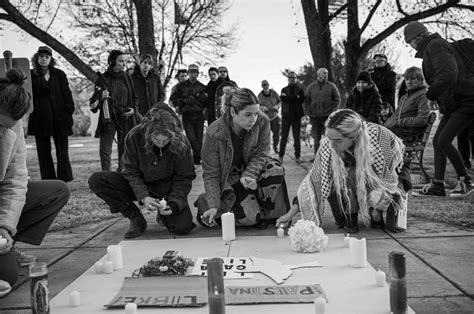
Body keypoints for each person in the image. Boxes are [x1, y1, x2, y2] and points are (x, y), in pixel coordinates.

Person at [276, 109, 411, 234]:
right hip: (352, 179)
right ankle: (350, 212)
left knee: (389, 219)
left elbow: (393, 173)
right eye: (329, 138)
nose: (332, 144)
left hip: (387, 176)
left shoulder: (380, 138)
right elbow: (314, 180)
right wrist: (290, 214)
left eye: (338, 141)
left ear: (354, 136)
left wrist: (382, 198)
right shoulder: (328, 145)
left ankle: (375, 211)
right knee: (342, 215)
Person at [1, 69, 70, 289]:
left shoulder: (14, 127)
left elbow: (15, 180)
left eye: (9, 127)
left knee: (57, 190)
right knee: (8, 277)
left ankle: (8, 244)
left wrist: (4, 226)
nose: (3, 132)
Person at [88, 107, 196, 238]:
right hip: (138, 184)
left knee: (182, 228)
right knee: (97, 180)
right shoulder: (134, 136)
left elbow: (184, 177)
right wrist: (144, 196)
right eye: (156, 139)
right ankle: (135, 218)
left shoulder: (181, 141)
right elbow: (129, 171)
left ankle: (163, 213)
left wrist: (174, 203)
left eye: (166, 140)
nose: (161, 144)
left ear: (172, 134)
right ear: (148, 133)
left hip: (166, 189)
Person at [197, 88, 290, 230]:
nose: (253, 119)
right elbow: (211, 173)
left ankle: (265, 212)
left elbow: (262, 153)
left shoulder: (263, 121)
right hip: (230, 176)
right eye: (248, 114)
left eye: (256, 113)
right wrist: (213, 205)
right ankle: (207, 204)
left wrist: (249, 174)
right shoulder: (214, 133)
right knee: (250, 218)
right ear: (233, 112)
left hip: (252, 169)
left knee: (275, 170)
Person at [404, 21, 474, 197]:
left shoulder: (435, 45)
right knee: (437, 142)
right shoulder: (433, 47)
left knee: (443, 141)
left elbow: (449, 74)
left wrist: (431, 95)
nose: (410, 46)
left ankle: (465, 181)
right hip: (454, 102)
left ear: (417, 38)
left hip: (466, 100)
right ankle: (438, 185)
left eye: (409, 42)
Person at [28, 46, 75, 182]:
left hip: (59, 118)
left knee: (62, 152)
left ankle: (65, 179)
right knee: (43, 153)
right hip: (40, 118)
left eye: (47, 57)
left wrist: (68, 113)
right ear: (37, 58)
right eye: (41, 56)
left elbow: (67, 94)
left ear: (51, 59)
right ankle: (48, 180)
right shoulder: (31, 75)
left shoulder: (59, 74)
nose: (44, 59)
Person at [90, 50, 140, 172]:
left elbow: (134, 97)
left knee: (124, 149)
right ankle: (106, 175)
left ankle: (122, 173)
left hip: (125, 116)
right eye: (120, 61)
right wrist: (101, 96)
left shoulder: (127, 78)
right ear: (112, 62)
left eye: (125, 61)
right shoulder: (102, 78)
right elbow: (93, 104)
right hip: (109, 117)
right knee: (105, 150)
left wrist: (134, 110)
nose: (124, 64)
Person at [169, 64, 208, 165]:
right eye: (191, 72)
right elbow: (173, 101)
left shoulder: (202, 87)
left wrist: (200, 99)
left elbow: (207, 102)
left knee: (199, 139)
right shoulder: (180, 87)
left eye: (195, 72)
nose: (193, 74)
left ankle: (196, 160)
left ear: (198, 73)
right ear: (188, 73)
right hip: (187, 114)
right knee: (191, 138)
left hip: (199, 115)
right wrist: (185, 100)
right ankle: (198, 157)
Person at [304, 68, 341, 156]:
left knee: (329, 137)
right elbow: (307, 101)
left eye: (327, 73)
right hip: (315, 117)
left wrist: (333, 111)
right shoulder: (311, 87)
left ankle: (329, 157)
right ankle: (317, 157)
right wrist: (309, 112)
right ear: (319, 75)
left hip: (327, 116)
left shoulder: (331, 86)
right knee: (317, 138)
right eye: (324, 73)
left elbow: (337, 99)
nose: (326, 74)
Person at [279, 71, 305, 163]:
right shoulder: (284, 89)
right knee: (284, 137)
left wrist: (290, 98)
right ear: (288, 79)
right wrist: (295, 97)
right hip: (286, 116)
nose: (292, 79)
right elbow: (284, 99)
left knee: (297, 138)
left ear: (296, 79)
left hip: (296, 117)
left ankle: (298, 157)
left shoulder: (300, 90)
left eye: (294, 77)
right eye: (290, 77)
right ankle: (280, 156)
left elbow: (301, 100)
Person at [258, 80, 282, 154]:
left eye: (266, 85)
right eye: (263, 85)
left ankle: (275, 146)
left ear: (268, 85)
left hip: (275, 116)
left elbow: (280, 101)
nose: (265, 86)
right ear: (262, 86)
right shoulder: (259, 95)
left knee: (277, 134)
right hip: (265, 118)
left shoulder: (274, 93)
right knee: (265, 135)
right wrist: (262, 108)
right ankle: (265, 150)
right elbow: (257, 105)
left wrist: (277, 106)